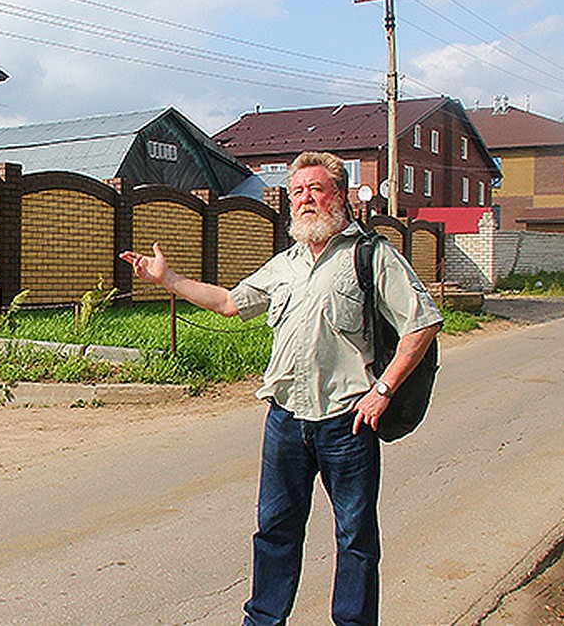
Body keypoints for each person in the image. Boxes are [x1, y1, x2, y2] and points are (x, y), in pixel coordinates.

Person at [119, 151, 442, 625]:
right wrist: (167, 278)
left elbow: (422, 323)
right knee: (274, 531)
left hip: (348, 421)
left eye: (316, 189)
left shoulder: (371, 255)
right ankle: (264, 620)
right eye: (297, 192)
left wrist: (385, 389)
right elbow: (230, 303)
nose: (306, 200)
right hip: (286, 421)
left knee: (354, 536)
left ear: (341, 195)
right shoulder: (286, 263)